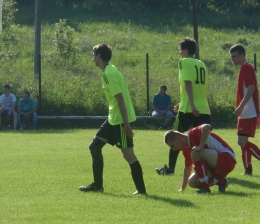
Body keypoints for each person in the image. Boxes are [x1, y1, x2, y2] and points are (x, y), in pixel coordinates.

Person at [79, 43, 147, 195]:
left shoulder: (108, 73)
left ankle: (142, 191)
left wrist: (127, 124)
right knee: (94, 147)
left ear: (99, 56)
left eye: (93, 55)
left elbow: (120, 99)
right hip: (113, 118)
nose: (92, 59)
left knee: (128, 155)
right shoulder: (110, 70)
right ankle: (97, 186)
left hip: (120, 121)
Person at [156, 37, 211, 175]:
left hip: (189, 109)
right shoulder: (202, 64)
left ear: (186, 50)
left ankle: (170, 169)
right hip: (204, 108)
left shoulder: (184, 62)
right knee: (205, 141)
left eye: (180, 50)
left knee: (173, 138)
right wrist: (182, 102)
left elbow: (188, 83)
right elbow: (199, 88)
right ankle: (211, 168)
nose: (180, 53)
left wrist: (190, 105)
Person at [164, 124, 236, 193]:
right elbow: (188, 167)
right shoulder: (186, 149)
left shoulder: (193, 133)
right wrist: (182, 188)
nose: (174, 149)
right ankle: (222, 182)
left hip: (228, 159)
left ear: (178, 139)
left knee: (195, 153)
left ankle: (205, 188)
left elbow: (206, 126)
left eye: (173, 146)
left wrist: (200, 147)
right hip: (214, 164)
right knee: (192, 182)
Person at [230, 44, 260, 176]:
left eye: (235, 57)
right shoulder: (246, 67)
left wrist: (241, 106)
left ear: (242, 55)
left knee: (241, 141)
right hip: (247, 110)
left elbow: (252, 87)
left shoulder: (246, 67)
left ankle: (248, 169)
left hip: (248, 110)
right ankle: (248, 170)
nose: (233, 60)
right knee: (244, 142)